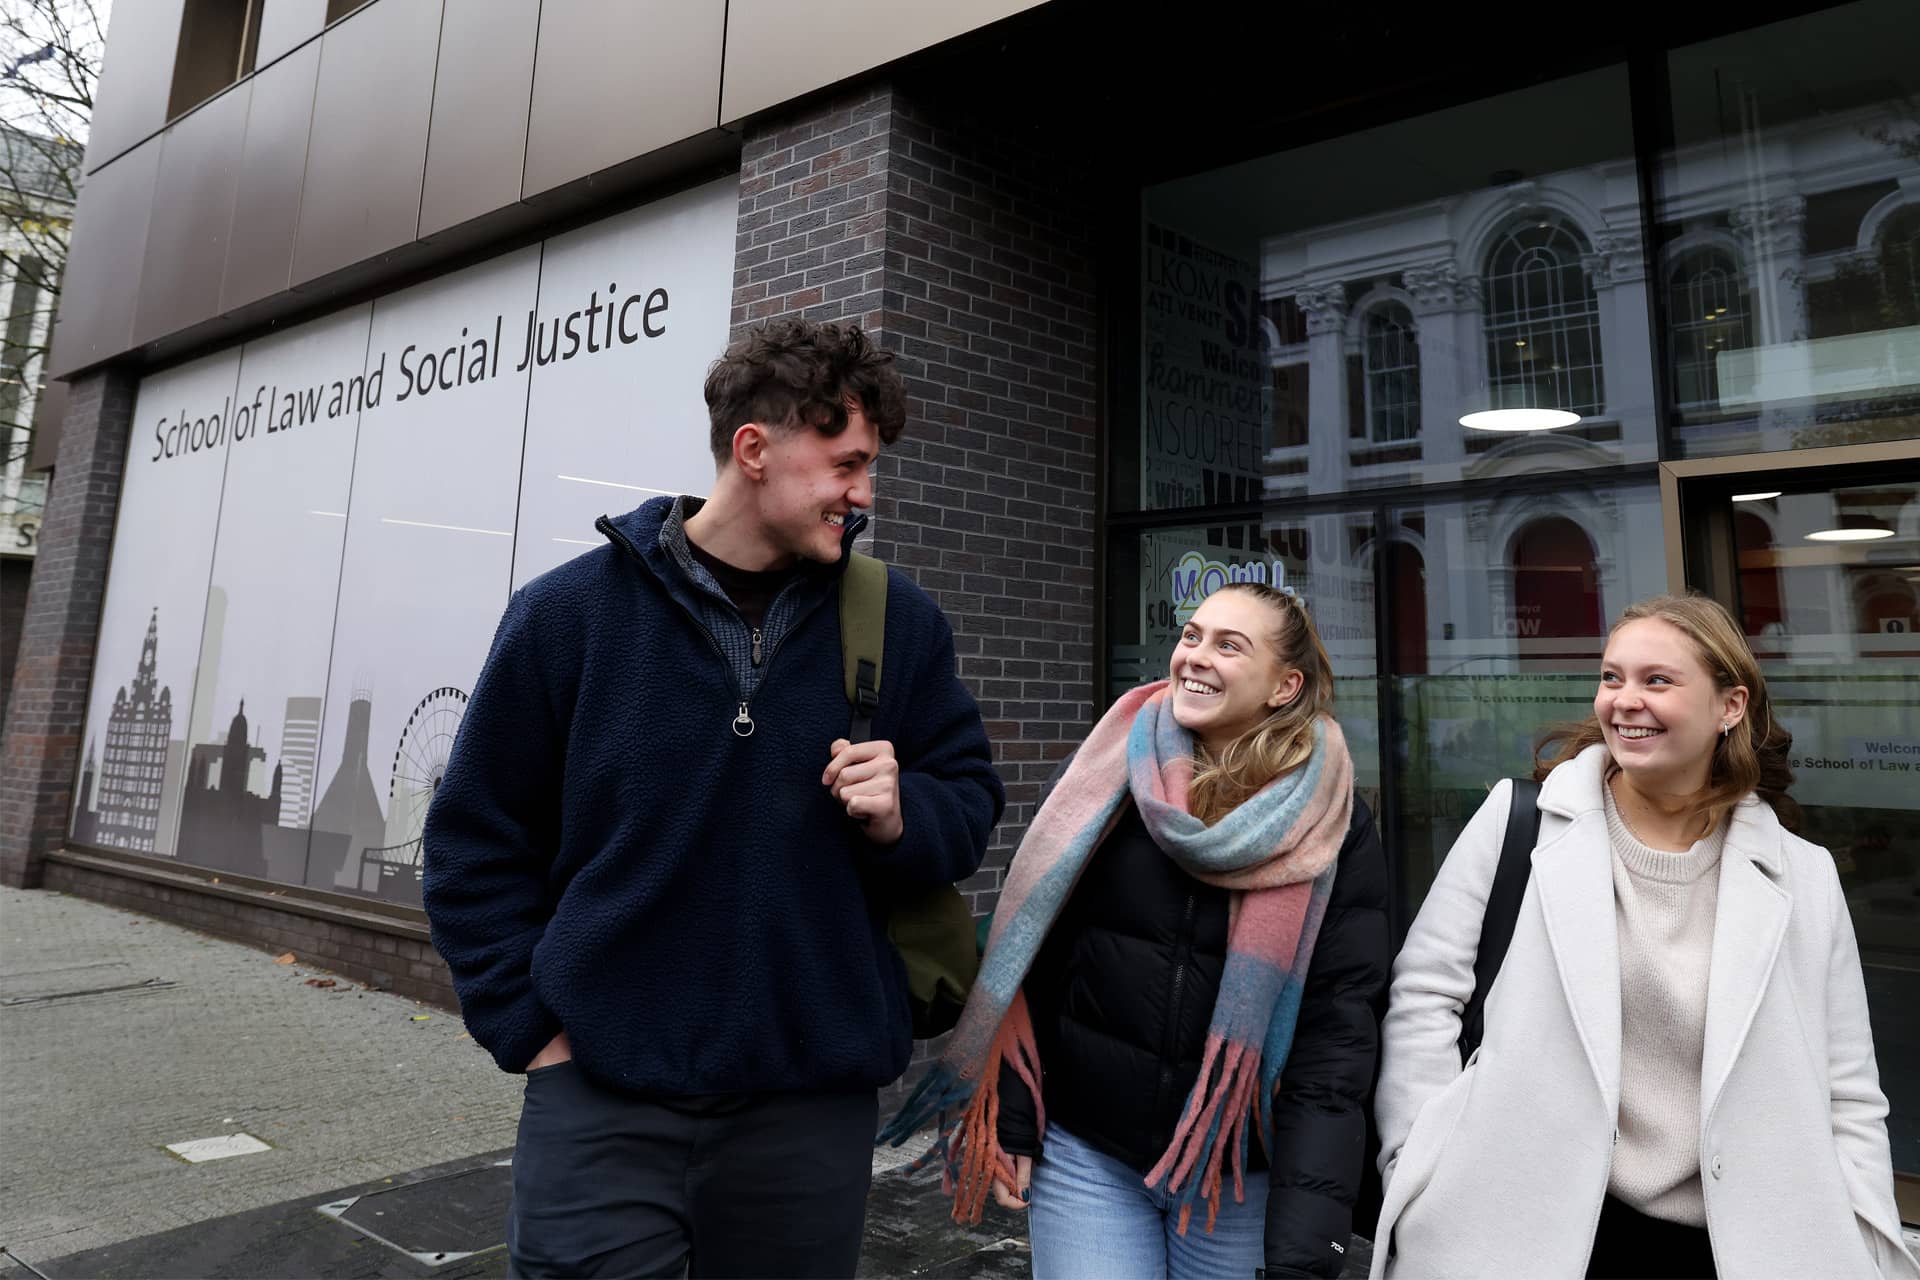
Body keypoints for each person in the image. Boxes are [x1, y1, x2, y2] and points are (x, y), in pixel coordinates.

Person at [422, 318, 1005, 1279]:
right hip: (602, 1103)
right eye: (848, 462)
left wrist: (907, 814)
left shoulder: (897, 621)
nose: (865, 493)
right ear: (755, 449)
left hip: (810, 1112)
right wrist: (535, 1036)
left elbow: (971, 800)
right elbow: (475, 842)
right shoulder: (569, 615)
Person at [1371, 595, 1919, 1280]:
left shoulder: (1801, 875)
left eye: (1657, 680)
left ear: (1730, 706)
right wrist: (1418, 1163)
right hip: (1519, 1228)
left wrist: (1865, 1243)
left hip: (1739, 1246)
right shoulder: (1521, 823)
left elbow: (1849, 1089)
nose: (1625, 700)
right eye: (1611, 677)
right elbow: (1425, 998)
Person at [882, 582, 1389, 1279]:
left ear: (1284, 685)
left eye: (1228, 645)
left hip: (1238, 1174)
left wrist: (1308, 1231)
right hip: (1090, 1155)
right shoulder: (1107, 774)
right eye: (1191, 635)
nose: (1194, 657)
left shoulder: (1334, 821)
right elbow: (1032, 960)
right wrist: (1018, 1118)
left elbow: (1339, 1033)